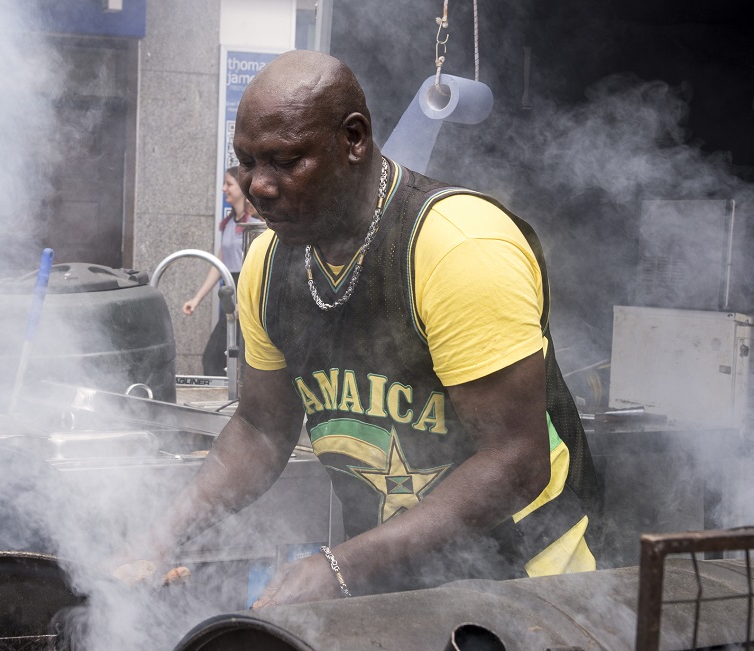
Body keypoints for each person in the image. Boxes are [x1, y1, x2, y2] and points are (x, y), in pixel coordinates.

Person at [125, 50, 599, 606]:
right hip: (393, 588)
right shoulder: (268, 265)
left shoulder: (456, 246)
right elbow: (260, 428)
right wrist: (158, 541)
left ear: (354, 139)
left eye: (284, 160)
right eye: (247, 162)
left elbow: (515, 461)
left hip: (533, 584)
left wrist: (339, 566)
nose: (259, 186)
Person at [182, 166, 260, 376]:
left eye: (229, 184)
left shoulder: (257, 223)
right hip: (231, 291)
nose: (224, 189)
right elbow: (219, 265)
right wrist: (196, 299)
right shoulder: (228, 225)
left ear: (242, 189)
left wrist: (245, 301)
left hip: (250, 294)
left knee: (243, 359)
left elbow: (260, 268)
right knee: (214, 357)